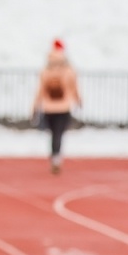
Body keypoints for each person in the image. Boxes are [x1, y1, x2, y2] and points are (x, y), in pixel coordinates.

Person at [33, 39, 82, 174]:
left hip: (48, 107)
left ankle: (54, 154)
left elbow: (40, 90)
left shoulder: (46, 69)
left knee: (52, 134)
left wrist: (35, 105)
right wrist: (78, 100)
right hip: (64, 106)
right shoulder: (69, 69)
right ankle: (56, 157)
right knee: (59, 133)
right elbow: (74, 87)